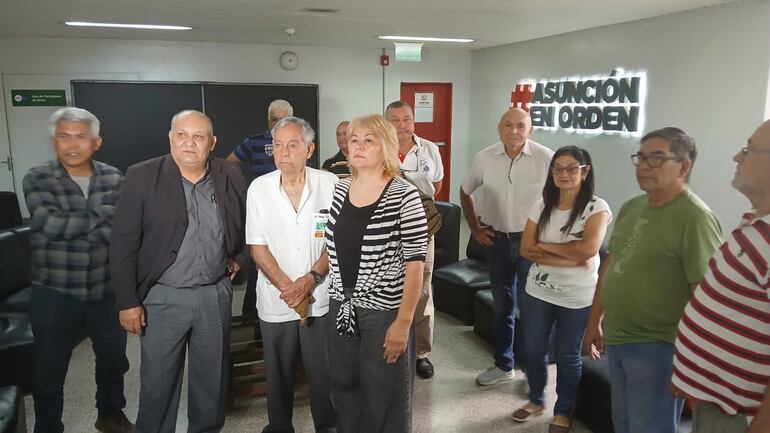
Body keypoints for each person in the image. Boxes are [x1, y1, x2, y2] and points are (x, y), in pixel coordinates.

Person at [110, 110, 248, 433]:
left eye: (198, 137)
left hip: (214, 295)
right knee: (158, 386)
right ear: (170, 138)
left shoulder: (230, 174)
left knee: (212, 384)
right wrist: (128, 302)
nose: (189, 143)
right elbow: (122, 244)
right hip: (162, 298)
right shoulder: (142, 176)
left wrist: (239, 257)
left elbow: (249, 224)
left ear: (212, 142)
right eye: (182, 135)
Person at [583, 127, 723, 433]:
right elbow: (612, 265)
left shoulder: (695, 217)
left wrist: (694, 363)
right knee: (623, 423)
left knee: (650, 427)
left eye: (657, 158)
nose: (644, 166)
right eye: (641, 157)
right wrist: (594, 321)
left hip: (659, 346)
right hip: (618, 337)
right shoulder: (632, 206)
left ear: (683, 167)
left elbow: (704, 296)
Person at [23, 107, 133, 433]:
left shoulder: (114, 177)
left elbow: (123, 229)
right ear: (53, 141)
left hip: (105, 289)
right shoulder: (37, 178)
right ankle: (48, 426)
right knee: (49, 370)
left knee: (114, 360)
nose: (72, 144)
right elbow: (50, 224)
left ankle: (110, 415)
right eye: (64, 136)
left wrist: (83, 222)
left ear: (96, 142)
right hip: (55, 291)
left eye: (80, 136)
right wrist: (103, 215)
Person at [325, 114, 427, 433]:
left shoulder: (404, 195)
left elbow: (415, 264)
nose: (358, 146)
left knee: (385, 396)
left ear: (387, 147)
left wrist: (403, 323)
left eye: (369, 140)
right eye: (354, 140)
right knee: (345, 389)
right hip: (341, 308)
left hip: (384, 313)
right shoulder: (341, 188)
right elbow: (331, 245)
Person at [670, 119, 770, 433]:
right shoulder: (755, 223)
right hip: (716, 402)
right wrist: (691, 374)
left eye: (749, 149)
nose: (737, 157)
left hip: (742, 416)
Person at [246, 116, 337, 433]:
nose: (283, 152)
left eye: (293, 145)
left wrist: (309, 280)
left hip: (320, 296)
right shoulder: (259, 188)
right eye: (278, 145)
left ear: (309, 149)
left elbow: (336, 242)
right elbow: (257, 247)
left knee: (323, 372)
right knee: (278, 373)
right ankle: (280, 427)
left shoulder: (330, 184)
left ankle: (327, 426)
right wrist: (291, 290)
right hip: (277, 298)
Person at [515, 146, 612, 432]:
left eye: (571, 168)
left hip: (577, 296)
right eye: (557, 168)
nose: (563, 174)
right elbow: (526, 249)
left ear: (585, 171)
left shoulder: (597, 207)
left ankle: (563, 411)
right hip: (538, 290)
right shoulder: (542, 204)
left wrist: (545, 248)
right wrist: (570, 254)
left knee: (568, 356)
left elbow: (588, 249)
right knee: (533, 350)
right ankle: (536, 399)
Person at [460, 107, 554, 385]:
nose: (513, 131)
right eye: (508, 125)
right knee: (503, 308)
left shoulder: (547, 158)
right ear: (499, 128)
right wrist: (475, 228)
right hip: (497, 242)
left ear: (530, 130)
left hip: (532, 244)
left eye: (520, 126)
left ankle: (532, 371)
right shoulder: (485, 157)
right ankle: (504, 365)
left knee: (532, 309)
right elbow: (465, 191)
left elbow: (560, 200)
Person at [386, 100, 444, 379]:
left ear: (413, 120)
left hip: (421, 228)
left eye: (406, 119)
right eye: (395, 120)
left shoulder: (429, 149)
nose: (402, 125)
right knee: (389, 285)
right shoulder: (379, 147)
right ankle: (392, 342)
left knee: (422, 288)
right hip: (387, 229)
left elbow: (437, 186)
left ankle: (421, 351)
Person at [227, 99, 294, 320]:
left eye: (284, 120)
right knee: (258, 260)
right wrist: (244, 188)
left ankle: (290, 304)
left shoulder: (298, 141)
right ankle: (251, 314)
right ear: (268, 120)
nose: (279, 124)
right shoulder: (254, 141)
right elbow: (228, 164)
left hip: (292, 209)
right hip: (263, 211)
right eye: (274, 120)